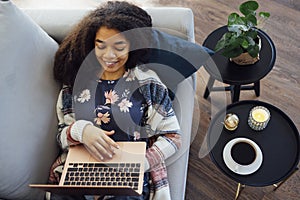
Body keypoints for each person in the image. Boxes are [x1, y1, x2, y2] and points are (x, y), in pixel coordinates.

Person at [48, 1, 181, 200]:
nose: (108, 56)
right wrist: (81, 131)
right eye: (100, 46)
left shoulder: (147, 84)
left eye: (119, 47)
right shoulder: (75, 82)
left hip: (128, 176)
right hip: (80, 172)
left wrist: (141, 163)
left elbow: (173, 137)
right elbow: (60, 136)